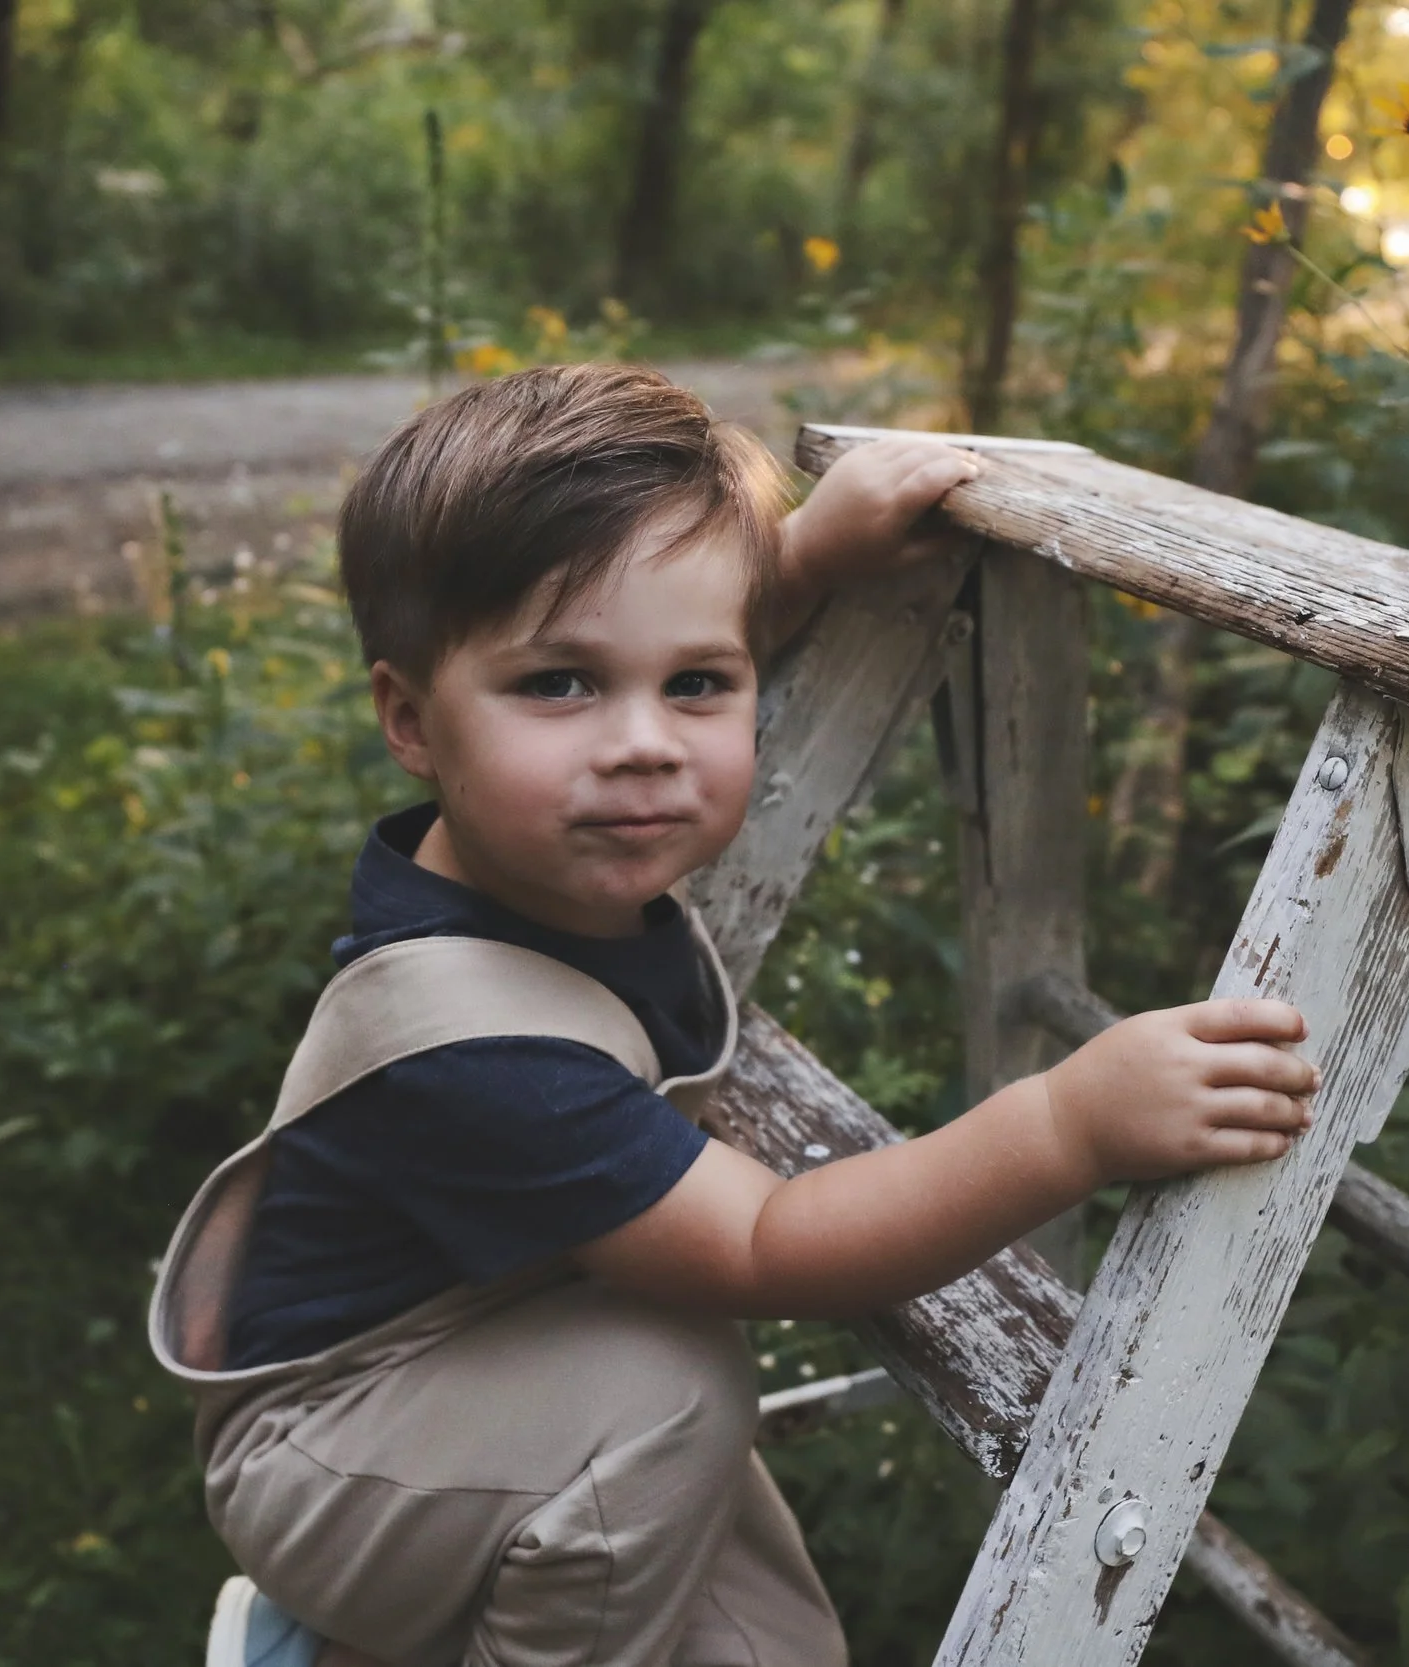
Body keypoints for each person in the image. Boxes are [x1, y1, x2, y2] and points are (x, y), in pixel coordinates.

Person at [146, 363, 1320, 1667]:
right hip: (334, 1444)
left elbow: (666, 642)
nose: (644, 742)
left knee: (769, 1638)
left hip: (503, 1347)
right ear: (412, 721)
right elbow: (769, 1243)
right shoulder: (485, 1053)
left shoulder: (547, 834)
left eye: (700, 682)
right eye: (559, 685)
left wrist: (804, 554)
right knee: (669, 1392)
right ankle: (339, 1644)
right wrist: (1070, 1121)